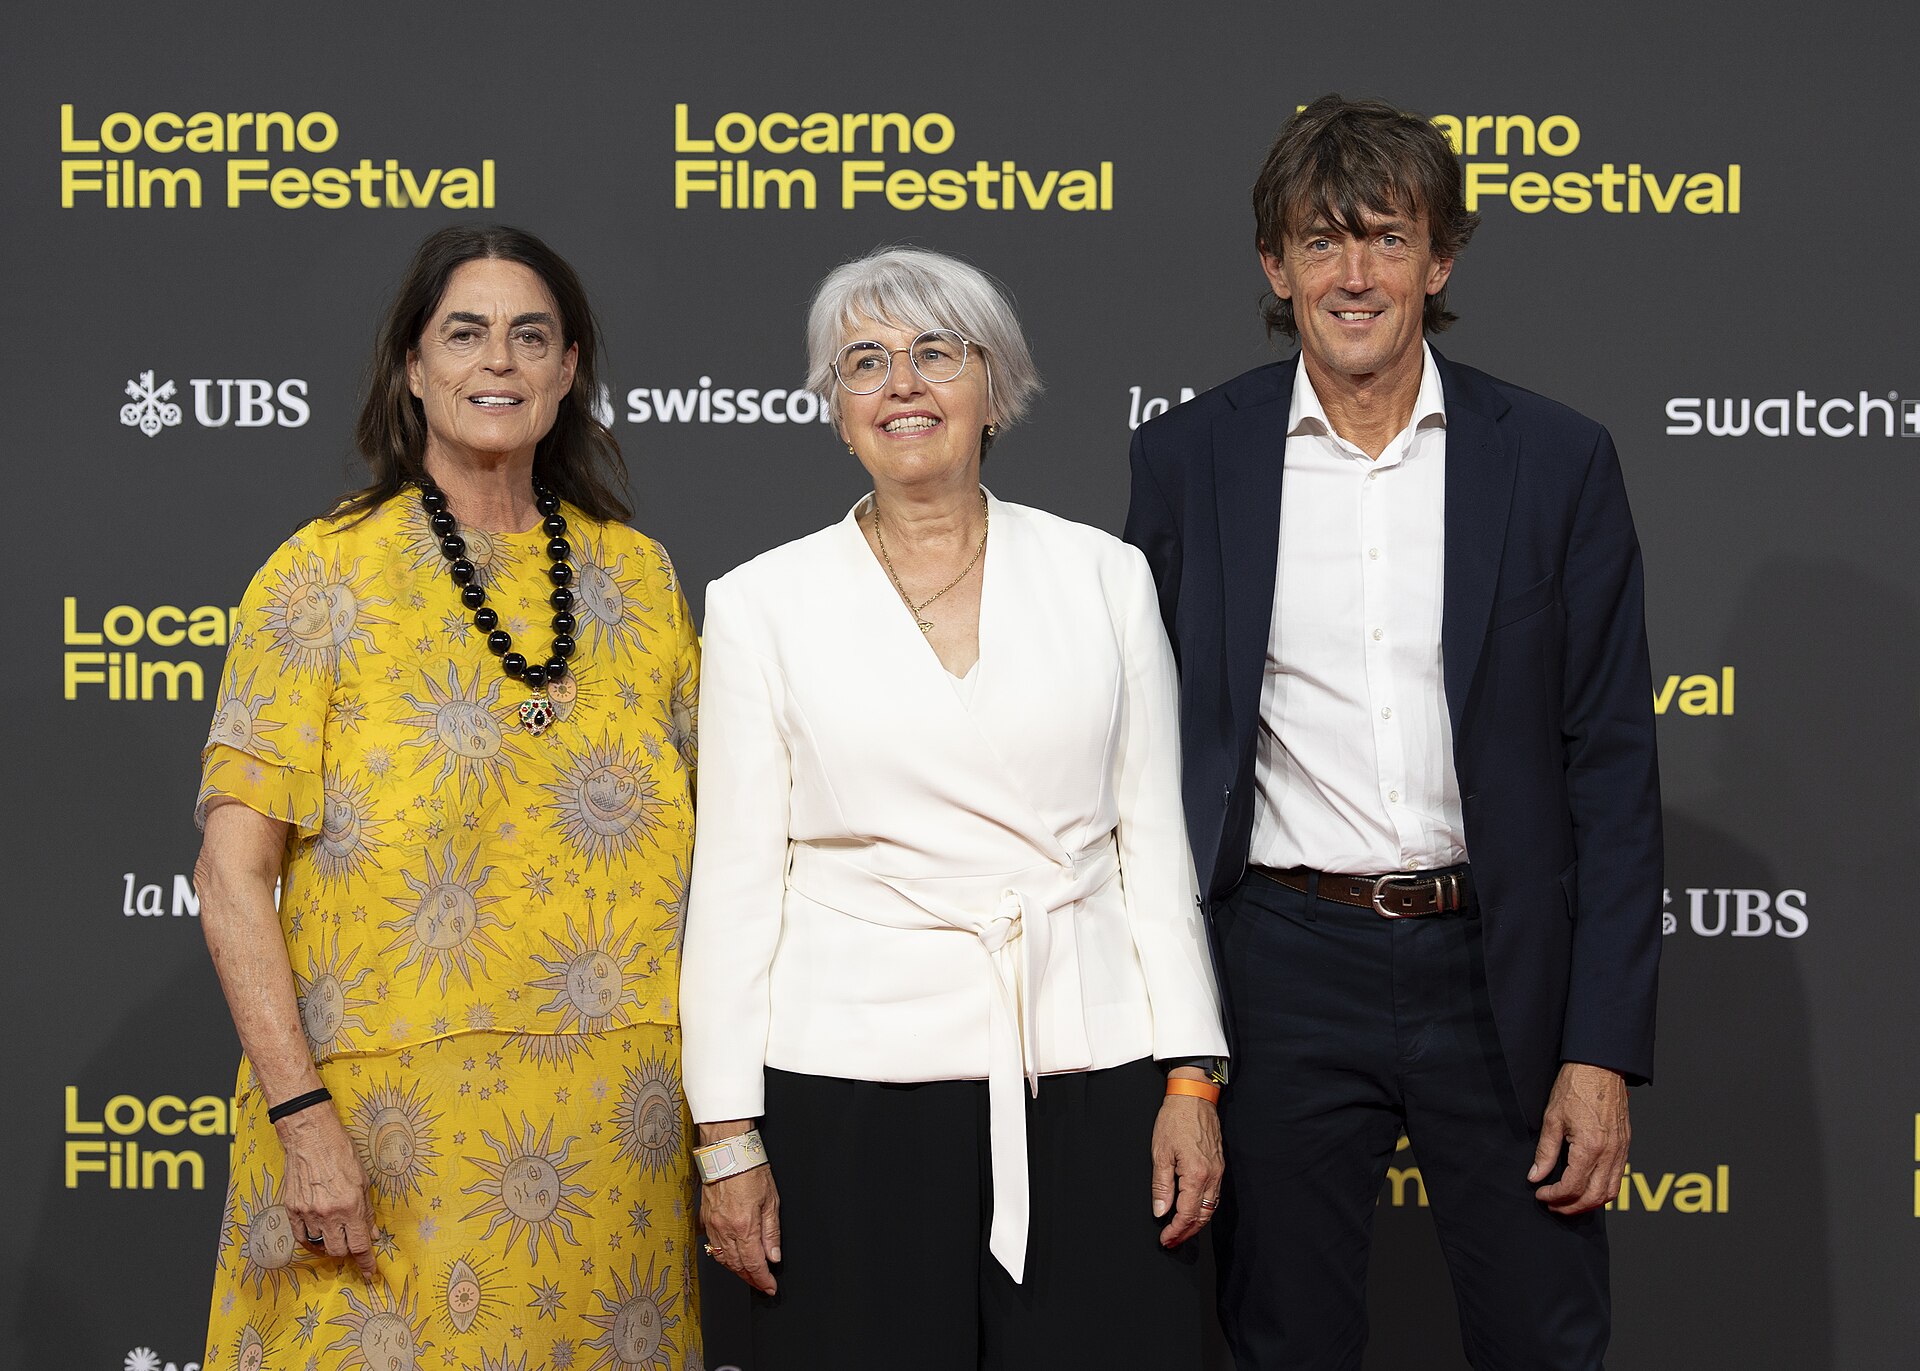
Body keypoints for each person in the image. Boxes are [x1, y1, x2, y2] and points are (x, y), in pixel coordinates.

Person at [1125, 95, 1662, 1370]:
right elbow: (1144, 753)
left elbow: (1613, 772)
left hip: (1502, 971)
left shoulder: (1555, 458)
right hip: (1283, 965)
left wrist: (1600, 1050)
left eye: (1384, 239)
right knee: (1283, 1337)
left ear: (1440, 260)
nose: (1353, 275)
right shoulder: (1189, 458)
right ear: (1275, 267)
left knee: (1544, 1337)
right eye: (1322, 242)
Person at [679, 246, 1229, 1370]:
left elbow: (1154, 852)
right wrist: (728, 1138)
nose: (903, 384)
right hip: (850, 1086)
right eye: (866, 362)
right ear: (837, 411)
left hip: (1091, 1064)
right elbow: (734, 889)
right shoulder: (759, 605)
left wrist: (1190, 1076)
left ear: (997, 389)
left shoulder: (1103, 578)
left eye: (937, 353)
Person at [193, 224, 702, 1371]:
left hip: (618, 1142)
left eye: (532, 336)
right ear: (412, 367)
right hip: (377, 1142)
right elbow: (231, 876)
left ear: (570, 370)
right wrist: (301, 1121)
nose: (500, 363)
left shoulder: (640, 578)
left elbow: (726, 855)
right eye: (463, 333)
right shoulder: (317, 577)